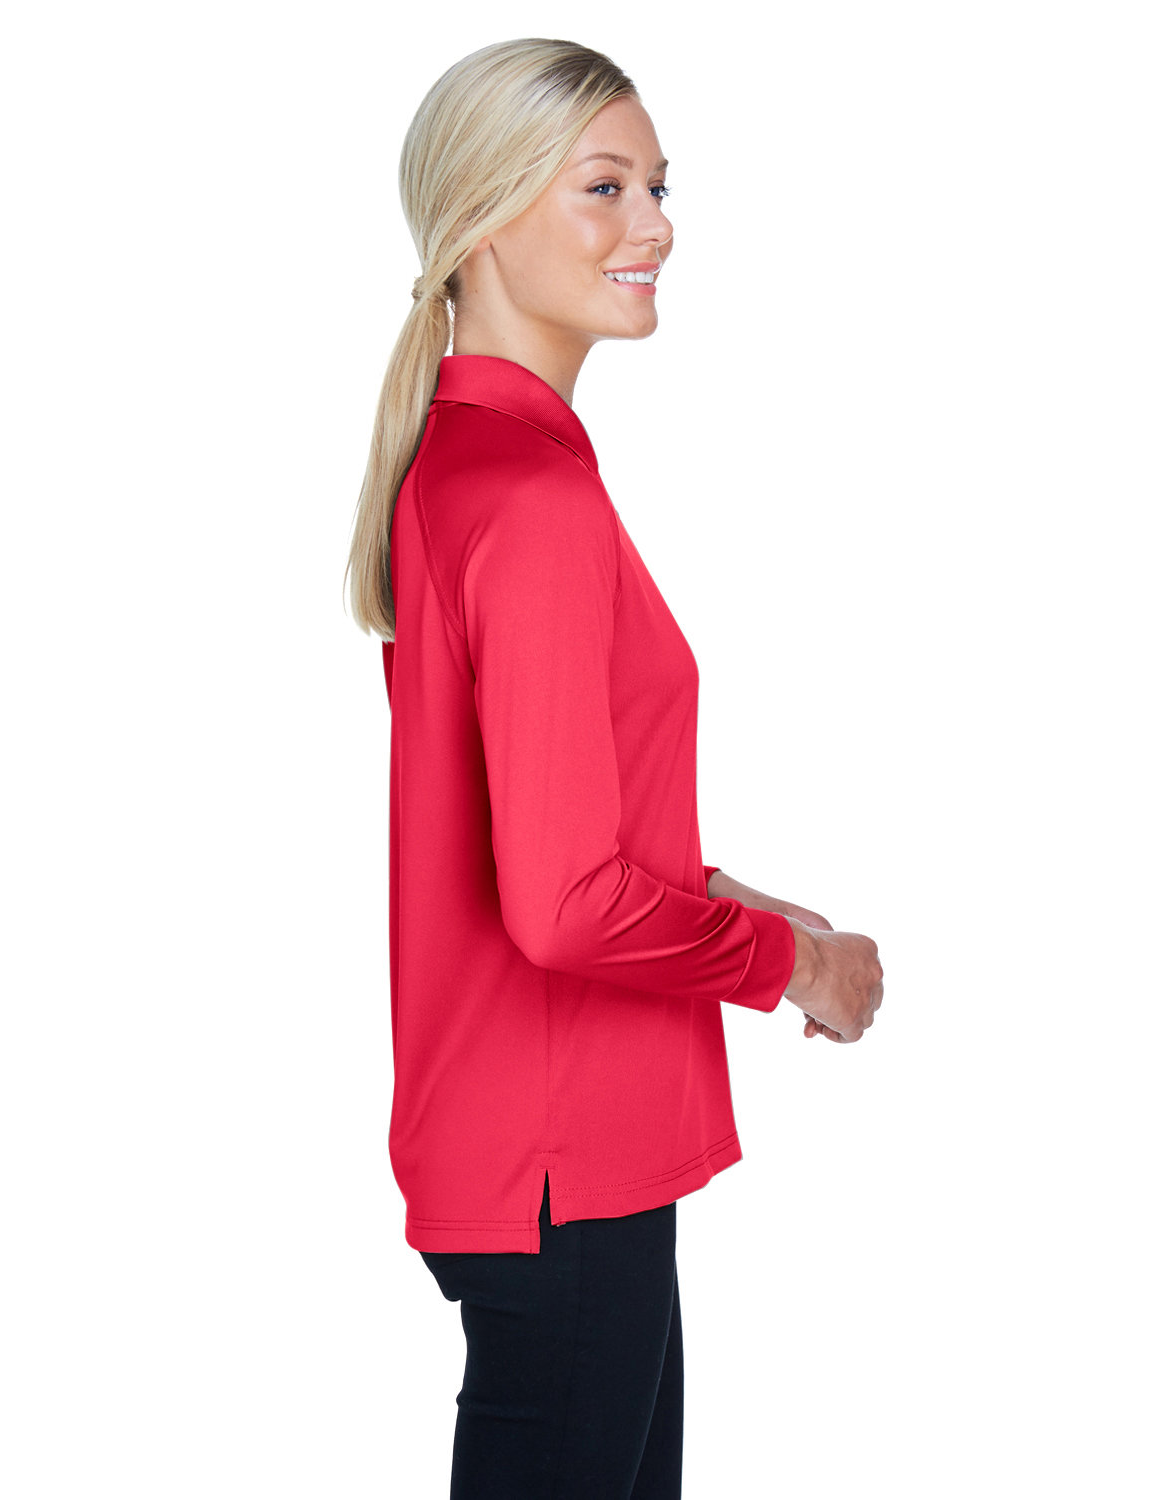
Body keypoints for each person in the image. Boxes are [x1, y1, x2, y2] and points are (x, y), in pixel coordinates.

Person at [344, 37, 884, 1500]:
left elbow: (549, 829)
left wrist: (756, 905)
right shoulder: (527, 497)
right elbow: (565, 904)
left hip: (546, 1155)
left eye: (658, 186)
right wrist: (796, 966)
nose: (654, 226)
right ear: (481, 218)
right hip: (561, 1163)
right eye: (604, 187)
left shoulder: (474, 468)